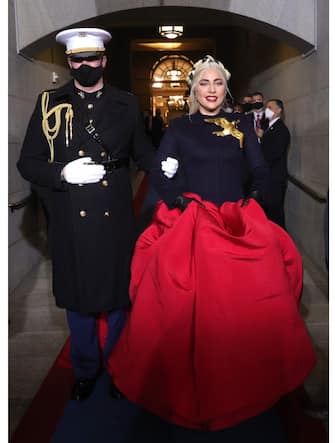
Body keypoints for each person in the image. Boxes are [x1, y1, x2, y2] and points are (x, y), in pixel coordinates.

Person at [107, 55, 316, 431]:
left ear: (226, 88)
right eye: (204, 83)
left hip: (236, 222)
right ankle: (188, 378)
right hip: (194, 224)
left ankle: (250, 376)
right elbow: (160, 170)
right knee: (186, 307)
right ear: (193, 89)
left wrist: (254, 195)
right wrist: (176, 199)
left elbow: (259, 167)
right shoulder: (180, 126)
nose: (211, 90)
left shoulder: (242, 124)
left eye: (218, 83)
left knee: (251, 304)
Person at [17, 27, 154, 401]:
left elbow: (143, 152)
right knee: (77, 300)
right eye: (77, 59)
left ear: (104, 60)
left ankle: (119, 367)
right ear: (69, 62)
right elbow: (27, 162)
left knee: (118, 297)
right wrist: (61, 173)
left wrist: (175, 165)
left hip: (115, 215)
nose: (85, 65)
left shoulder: (126, 103)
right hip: (68, 214)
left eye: (92, 58)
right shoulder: (49, 102)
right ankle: (86, 369)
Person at [259, 99, 290, 228]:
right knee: (267, 216)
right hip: (268, 179)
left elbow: (274, 154)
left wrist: (261, 140)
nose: (267, 110)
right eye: (267, 107)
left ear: (279, 110)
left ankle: (280, 245)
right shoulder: (268, 128)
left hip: (275, 179)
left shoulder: (281, 129)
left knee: (275, 217)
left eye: (270, 107)